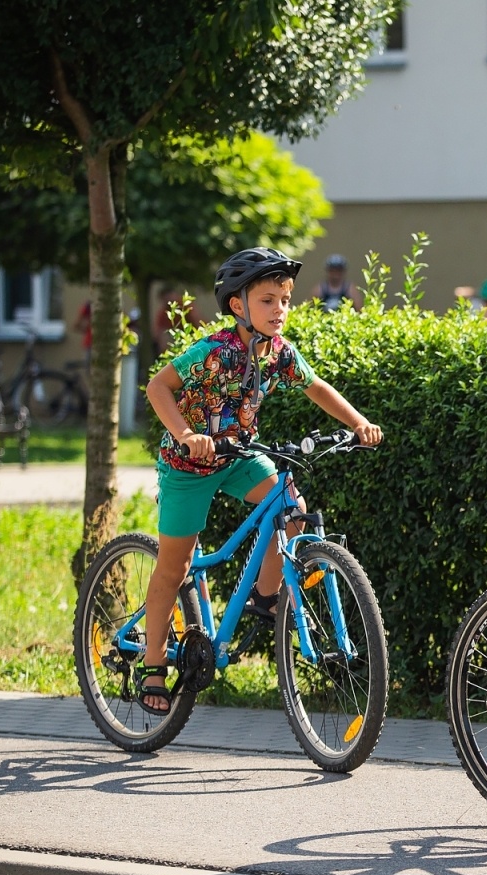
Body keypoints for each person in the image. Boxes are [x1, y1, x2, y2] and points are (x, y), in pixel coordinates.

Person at [136, 248, 384, 714]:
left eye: (285, 301)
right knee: (176, 564)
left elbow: (316, 387)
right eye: (268, 301)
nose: (280, 311)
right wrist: (186, 434)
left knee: (292, 507)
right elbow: (157, 387)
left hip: (239, 457)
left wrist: (358, 423)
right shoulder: (214, 351)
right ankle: (153, 664)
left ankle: (267, 599)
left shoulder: (279, 353)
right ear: (238, 306)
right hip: (188, 466)